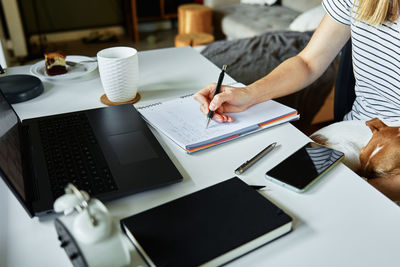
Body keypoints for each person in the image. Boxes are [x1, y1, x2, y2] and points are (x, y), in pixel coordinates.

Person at [194, 0, 400, 201]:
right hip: (357, 132)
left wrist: (363, 193)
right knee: (262, 188)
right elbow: (307, 62)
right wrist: (248, 94)